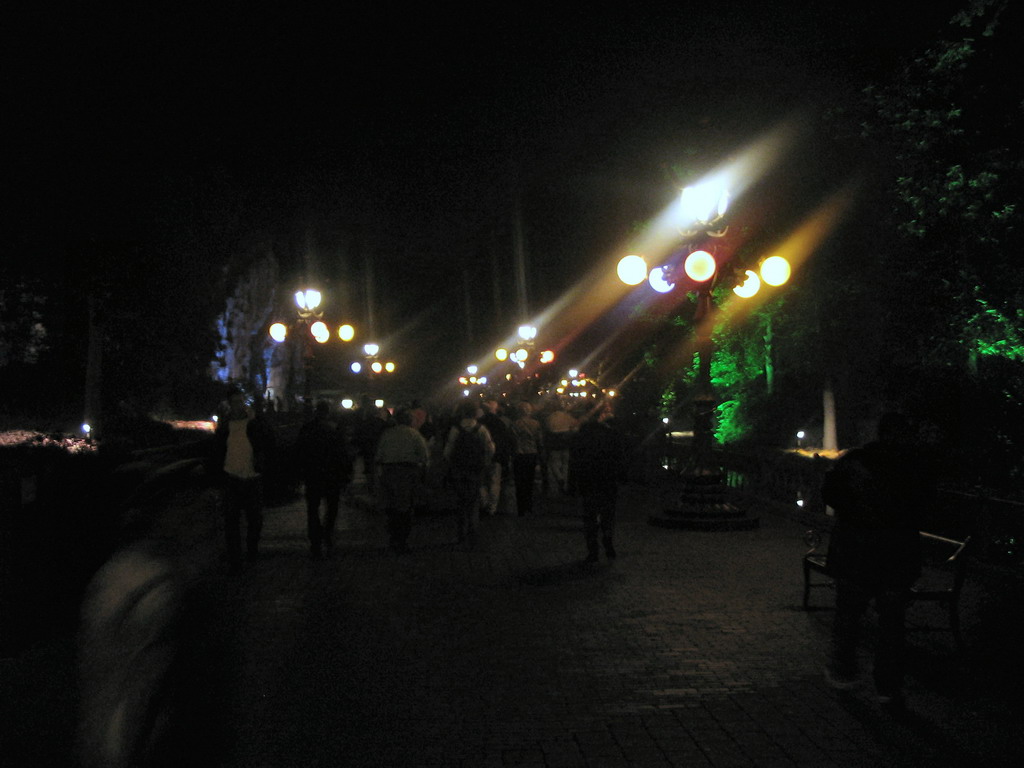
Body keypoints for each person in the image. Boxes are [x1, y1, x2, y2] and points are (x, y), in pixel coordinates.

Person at [821, 411, 937, 712]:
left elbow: (831, 494)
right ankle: (888, 686)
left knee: (849, 615)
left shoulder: (855, 461)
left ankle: (844, 672)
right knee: (892, 623)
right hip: (894, 557)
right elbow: (925, 507)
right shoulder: (913, 467)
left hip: (855, 554)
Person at [213, 389, 274, 568]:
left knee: (255, 520)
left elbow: (268, 441)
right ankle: (235, 557)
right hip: (232, 477)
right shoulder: (225, 427)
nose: (239, 405)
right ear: (230, 405)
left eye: (241, 401)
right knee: (231, 521)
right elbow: (218, 450)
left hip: (252, 477)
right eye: (235, 402)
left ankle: (251, 551)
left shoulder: (254, 423)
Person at [571, 401, 627, 563]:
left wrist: (574, 481)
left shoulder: (582, 434)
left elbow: (575, 459)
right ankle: (608, 541)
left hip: (588, 479)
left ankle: (592, 549)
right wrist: (621, 476)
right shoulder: (611, 434)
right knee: (607, 513)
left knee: (589, 514)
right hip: (607, 479)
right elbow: (619, 457)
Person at [296, 400, 352, 558]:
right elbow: (343, 452)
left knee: (313, 509)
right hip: (331, 474)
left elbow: (299, 451)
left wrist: (301, 471)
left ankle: (315, 538)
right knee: (332, 507)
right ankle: (327, 533)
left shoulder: (307, 429)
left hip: (313, 474)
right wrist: (346, 472)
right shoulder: (335, 429)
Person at [375, 408, 430, 553]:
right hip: (407, 471)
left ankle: (393, 537)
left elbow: (379, 455)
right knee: (405, 506)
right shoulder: (414, 434)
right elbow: (424, 456)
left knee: (392, 505)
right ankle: (403, 539)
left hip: (389, 471)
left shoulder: (388, 434)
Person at [444, 400, 495, 548]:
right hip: (475, 468)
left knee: (460, 501)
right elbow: (490, 447)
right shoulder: (481, 429)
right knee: (473, 501)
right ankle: (473, 533)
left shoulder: (456, 429)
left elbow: (448, 450)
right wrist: (485, 461)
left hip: (459, 468)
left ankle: (461, 533)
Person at [479, 398, 516, 516]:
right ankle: (492, 507)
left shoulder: (480, 422)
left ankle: (484, 502)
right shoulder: (500, 423)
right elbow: (505, 440)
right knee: (495, 482)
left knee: (482, 481)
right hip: (497, 455)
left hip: (482, 455)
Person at [510, 401, 543, 517]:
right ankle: (528, 505)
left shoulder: (515, 424)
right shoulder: (536, 424)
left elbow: (512, 440)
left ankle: (521, 507)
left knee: (519, 482)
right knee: (529, 481)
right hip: (531, 454)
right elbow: (539, 440)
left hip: (519, 454)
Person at [544, 399, 578, 496]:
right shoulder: (567, 416)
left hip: (555, 443)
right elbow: (574, 426)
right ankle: (564, 484)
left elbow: (547, 428)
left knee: (554, 463)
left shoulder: (550, 417)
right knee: (565, 464)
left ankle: (560, 478)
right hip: (566, 442)